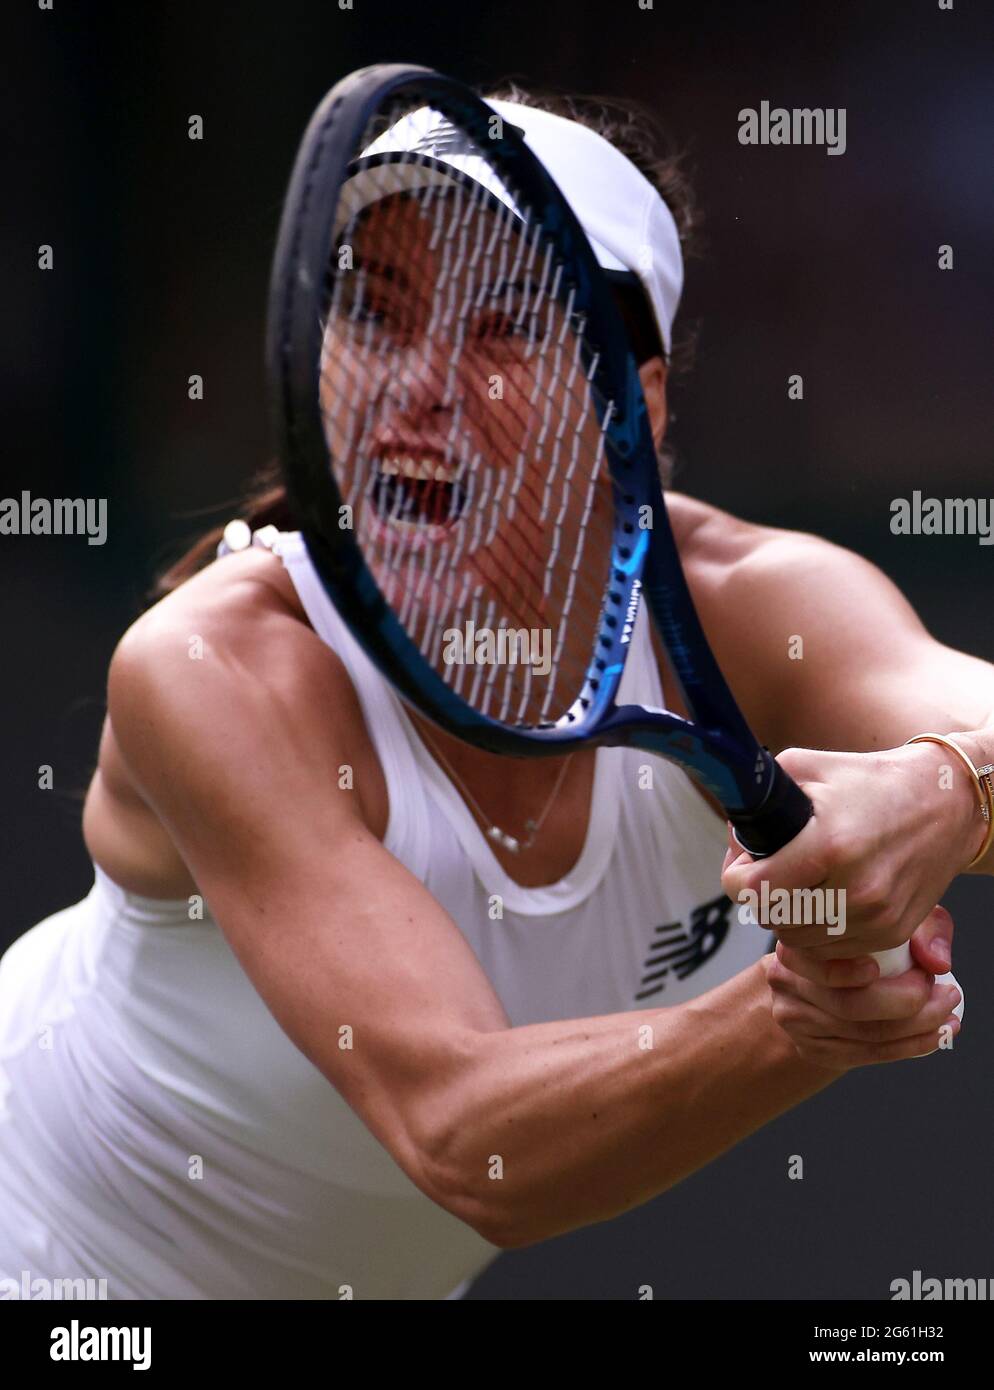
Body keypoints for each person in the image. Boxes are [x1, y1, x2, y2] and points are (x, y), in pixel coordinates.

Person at [1, 84, 990, 1303]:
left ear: (642, 399)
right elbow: (469, 1136)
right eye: (375, 310)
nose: (417, 383)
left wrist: (949, 787)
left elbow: (966, 720)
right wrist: (802, 1012)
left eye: (502, 328)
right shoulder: (216, 667)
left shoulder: (749, 605)